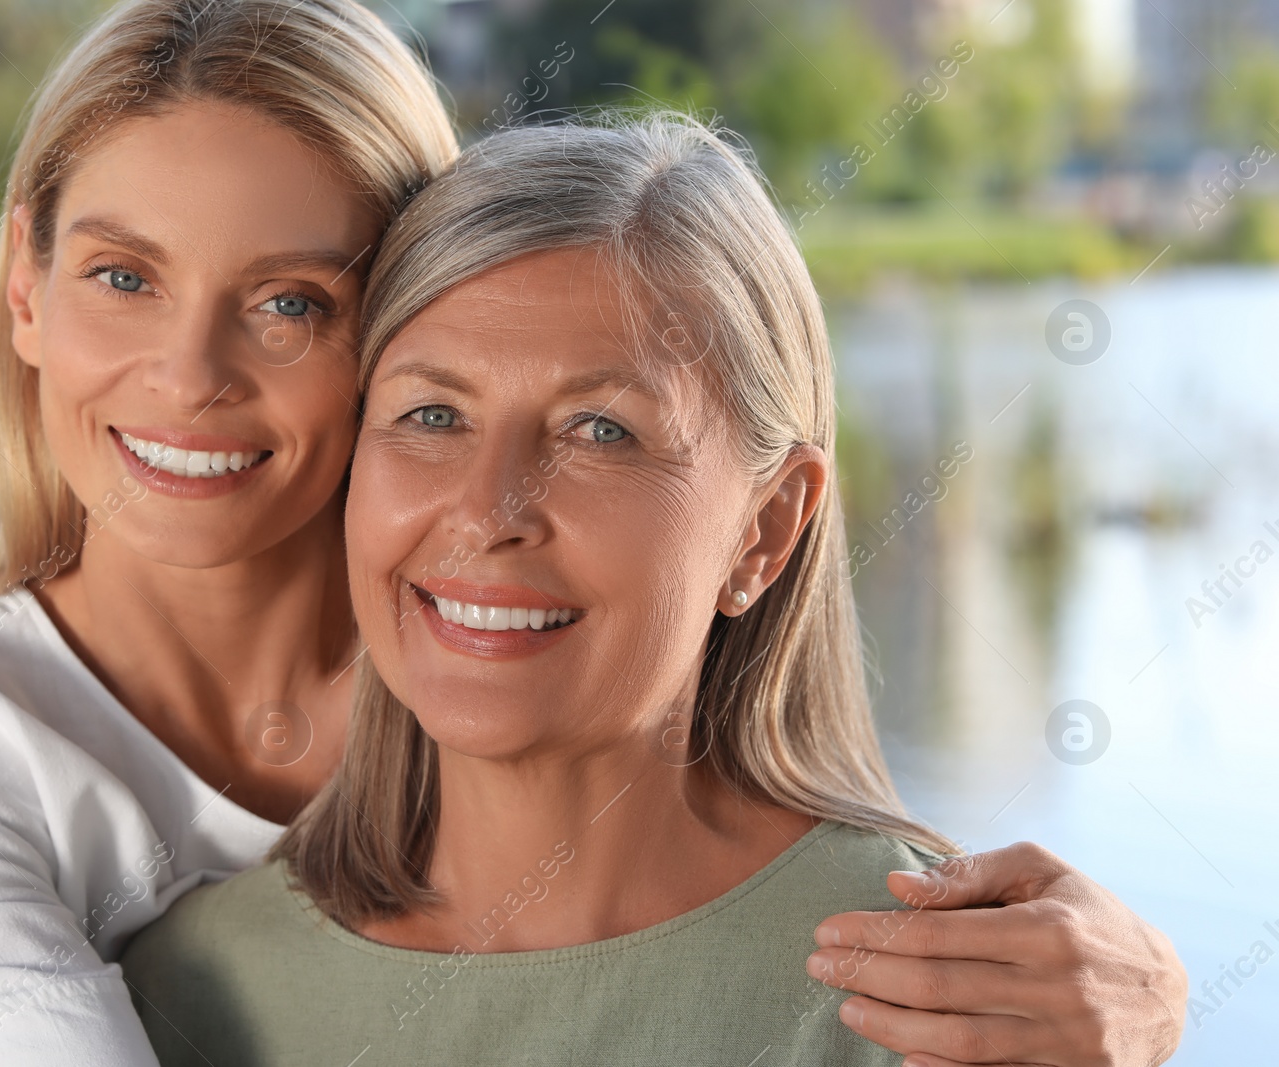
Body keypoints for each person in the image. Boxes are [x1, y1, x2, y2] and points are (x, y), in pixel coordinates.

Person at [0, 1, 1186, 1065]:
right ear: (22, 282)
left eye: (292, 303)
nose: (192, 373)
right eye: (121, 274)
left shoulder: (870, 947)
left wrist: (1151, 992)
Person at [118, 113, 1175, 1067]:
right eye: (432, 415)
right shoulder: (174, 993)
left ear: (764, 529)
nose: (490, 509)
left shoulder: (949, 999)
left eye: (600, 430)